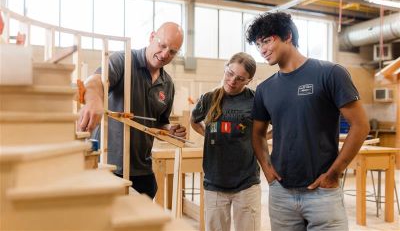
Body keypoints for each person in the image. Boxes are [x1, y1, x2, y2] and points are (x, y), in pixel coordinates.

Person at [246, 12, 370, 231]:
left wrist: (334, 173)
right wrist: (267, 171)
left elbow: (360, 125)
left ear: (287, 36)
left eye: (266, 40)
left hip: (323, 193)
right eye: (257, 45)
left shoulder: (330, 73)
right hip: (281, 194)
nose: (262, 49)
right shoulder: (265, 89)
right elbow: (256, 134)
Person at [78, 22, 187, 199]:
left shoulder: (168, 84)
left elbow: (160, 122)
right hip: (108, 166)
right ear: (152, 37)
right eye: (162, 45)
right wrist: (93, 100)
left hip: (142, 170)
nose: (165, 54)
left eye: (173, 51)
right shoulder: (123, 61)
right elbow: (95, 81)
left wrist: (170, 130)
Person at [191, 52, 261, 231]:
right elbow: (194, 120)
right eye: (230, 73)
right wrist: (208, 134)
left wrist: (258, 138)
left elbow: (276, 123)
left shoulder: (255, 100)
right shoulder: (208, 98)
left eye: (240, 79)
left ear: (249, 80)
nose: (232, 81)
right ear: (225, 68)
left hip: (246, 182)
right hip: (215, 182)